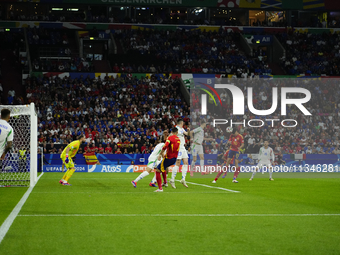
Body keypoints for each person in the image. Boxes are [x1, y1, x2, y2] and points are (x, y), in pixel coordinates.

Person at [154, 128, 180, 192]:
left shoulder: (170, 138)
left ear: (171, 131)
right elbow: (168, 142)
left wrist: (160, 154)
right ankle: (165, 182)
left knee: (157, 170)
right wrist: (166, 136)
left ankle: (160, 188)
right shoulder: (178, 139)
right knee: (163, 168)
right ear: (177, 132)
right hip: (174, 159)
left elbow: (166, 145)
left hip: (168, 158)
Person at [169, 119, 189, 189]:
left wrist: (188, 131)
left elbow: (187, 134)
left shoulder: (182, 129)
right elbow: (170, 135)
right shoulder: (176, 128)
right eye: (183, 122)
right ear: (181, 122)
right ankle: (172, 179)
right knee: (178, 163)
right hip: (178, 147)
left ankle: (183, 179)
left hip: (183, 147)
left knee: (186, 162)